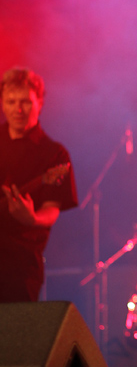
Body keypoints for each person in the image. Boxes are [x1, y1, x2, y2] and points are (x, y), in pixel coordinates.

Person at [0, 67, 77, 302]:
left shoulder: (54, 154)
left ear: (40, 103)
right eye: (11, 102)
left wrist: (32, 218)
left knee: (16, 324)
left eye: (25, 102)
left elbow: (52, 210)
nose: (18, 109)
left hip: (20, 267)